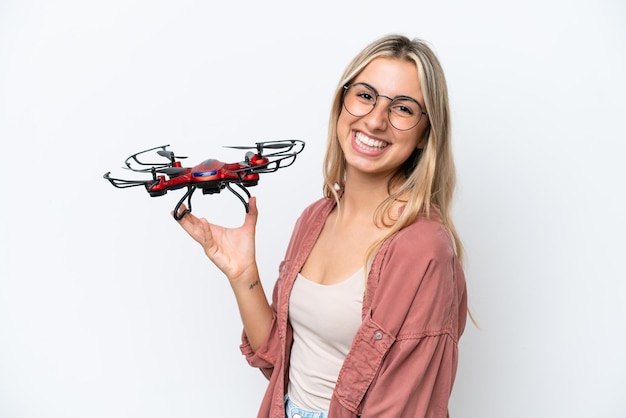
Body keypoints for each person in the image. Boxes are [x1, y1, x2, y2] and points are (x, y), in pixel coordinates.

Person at [176, 33, 468, 418]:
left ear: (424, 135)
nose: (376, 120)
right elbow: (278, 361)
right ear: (342, 103)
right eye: (365, 95)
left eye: (403, 108)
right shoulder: (316, 217)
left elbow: (404, 408)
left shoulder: (423, 249)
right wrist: (243, 273)